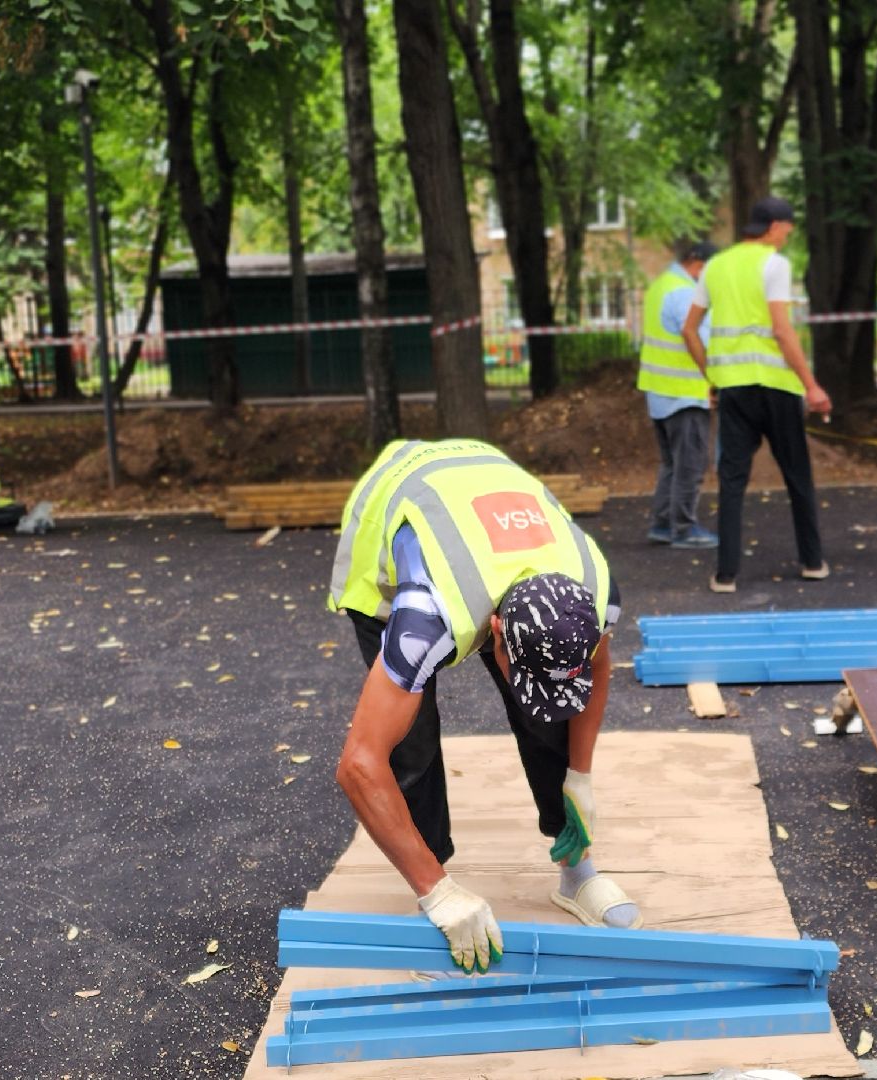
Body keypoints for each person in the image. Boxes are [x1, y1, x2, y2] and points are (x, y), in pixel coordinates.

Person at [328, 439, 638, 974]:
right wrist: (439, 892)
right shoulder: (424, 618)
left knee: (550, 718)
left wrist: (579, 777)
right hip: (395, 514)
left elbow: (595, 667)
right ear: (494, 634)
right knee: (409, 747)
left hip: (485, 495)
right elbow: (359, 764)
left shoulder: (593, 591)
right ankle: (433, 896)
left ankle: (577, 872)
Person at [680, 196, 833, 593]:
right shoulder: (774, 264)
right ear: (773, 227)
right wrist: (812, 385)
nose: (787, 236)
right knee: (797, 475)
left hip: (733, 388)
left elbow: (689, 330)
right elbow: (782, 330)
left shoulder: (716, 265)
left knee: (732, 481)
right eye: (786, 230)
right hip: (777, 387)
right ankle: (812, 562)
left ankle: (726, 574)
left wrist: (712, 375)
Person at [639, 241, 720, 550]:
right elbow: (695, 335)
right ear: (699, 264)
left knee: (671, 464)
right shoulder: (686, 293)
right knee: (690, 465)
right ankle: (684, 529)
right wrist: (714, 379)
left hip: (660, 391)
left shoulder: (661, 285)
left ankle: (663, 524)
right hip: (685, 393)